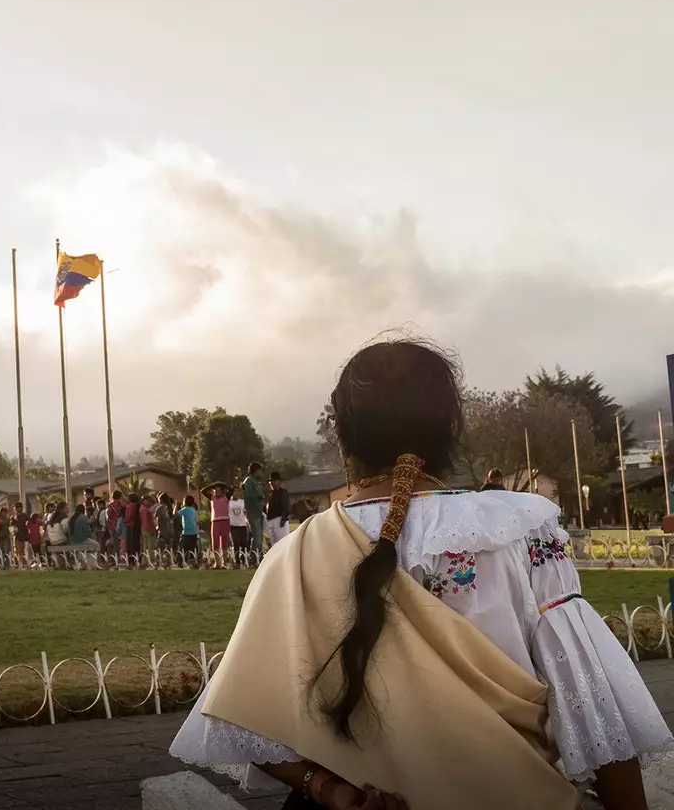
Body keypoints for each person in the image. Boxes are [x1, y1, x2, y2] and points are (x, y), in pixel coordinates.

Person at [169, 337, 670, 810]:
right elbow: (593, 704)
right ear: (449, 430)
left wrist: (327, 790)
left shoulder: (293, 555)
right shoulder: (519, 529)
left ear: (341, 437)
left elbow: (246, 718)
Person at [242, 462, 268, 553]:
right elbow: (249, 495)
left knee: (260, 536)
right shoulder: (249, 481)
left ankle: (258, 555)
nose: (262, 473)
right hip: (252, 512)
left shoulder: (256, 482)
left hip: (258, 512)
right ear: (256, 470)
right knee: (257, 536)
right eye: (261, 470)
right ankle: (253, 557)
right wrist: (259, 496)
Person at [266, 473, 292, 546]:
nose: (272, 483)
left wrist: (283, 519)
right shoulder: (270, 494)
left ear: (279, 482)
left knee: (283, 543)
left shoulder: (283, 492)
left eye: (274, 480)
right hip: (271, 520)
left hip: (280, 519)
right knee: (274, 545)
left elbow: (287, 507)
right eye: (271, 481)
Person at [208, 485, 232, 553]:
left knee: (224, 543)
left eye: (219, 490)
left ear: (222, 491)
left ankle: (224, 561)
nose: (217, 492)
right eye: (216, 490)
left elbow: (231, 489)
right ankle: (217, 562)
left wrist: (221, 485)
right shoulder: (212, 497)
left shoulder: (226, 496)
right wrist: (213, 485)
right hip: (215, 521)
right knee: (215, 543)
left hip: (225, 521)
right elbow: (203, 491)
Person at [177, 495, 200, 564]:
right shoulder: (193, 510)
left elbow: (175, 514)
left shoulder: (185, 509)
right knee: (193, 548)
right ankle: (193, 561)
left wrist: (176, 505)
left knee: (182, 548)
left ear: (185, 502)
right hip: (194, 533)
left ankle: (180, 562)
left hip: (186, 533)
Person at [228, 484, 249, 553]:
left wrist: (248, 524)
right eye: (234, 491)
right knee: (236, 543)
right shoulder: (228, 503)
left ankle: (244, 559)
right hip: (233, 525)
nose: (236, 493)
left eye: (238, 491)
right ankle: (237, 560)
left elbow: (245, 513)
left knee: (244, 543)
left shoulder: (242, 502)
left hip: (242, 525)